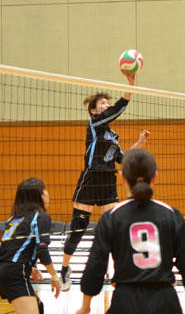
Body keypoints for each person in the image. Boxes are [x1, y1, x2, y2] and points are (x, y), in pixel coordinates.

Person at [75, 148, 185, 314]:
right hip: (164, 304)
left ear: (121, 177)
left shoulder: (111, 218)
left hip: (125, 304)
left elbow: (96, 265)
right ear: (155, 176)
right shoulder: (171, 215)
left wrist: (85, 305)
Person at [60, 71, 149, 290]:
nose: (106, 105)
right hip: (91, 179)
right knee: (78, 227)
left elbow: (122, 159)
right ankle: (64, 269)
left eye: (107, 102)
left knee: (114, 227)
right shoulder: (94, 123)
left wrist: (139, 143)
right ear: (93, 110)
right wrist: (130, 87)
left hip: (108, 181)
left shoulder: (112, 136)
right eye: (102, 103)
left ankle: (120, 271)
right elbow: (117, 109)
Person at [0, 177, 61, 314]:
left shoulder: (15, 219)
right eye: (44, 189)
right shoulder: (40, 217)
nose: (47, 193)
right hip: (15, 272)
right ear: (38, 195)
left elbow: (12, 248)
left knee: (38, 307)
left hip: (1, 270)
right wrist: (54, 276)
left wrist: (31, 267)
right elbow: (42, 250)